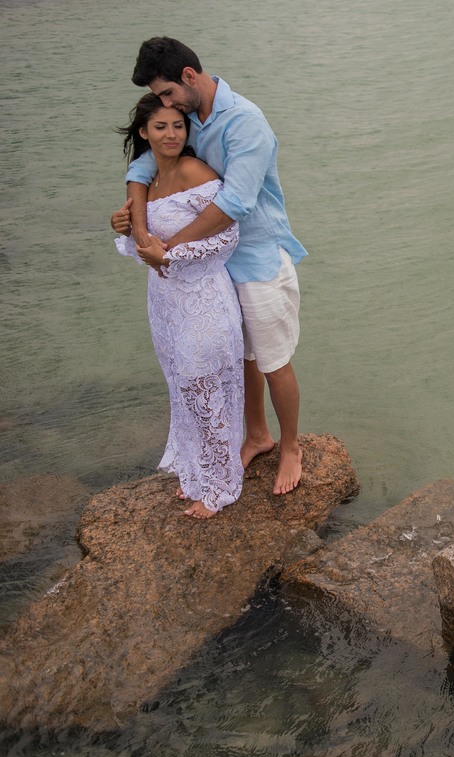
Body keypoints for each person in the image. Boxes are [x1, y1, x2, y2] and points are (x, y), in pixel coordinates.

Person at [111, 36, 306, 496]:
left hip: (257, 259)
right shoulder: (188, 118)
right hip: (212, 269)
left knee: (273, 360)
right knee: (241, 358)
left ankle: (292, 446)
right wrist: (137, 228)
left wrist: (170, 248)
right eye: (160, 103)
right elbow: (143, 168)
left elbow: (235, 203)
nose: (164, 106)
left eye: (166, 93)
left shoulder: (245, 122)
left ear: (189, 77)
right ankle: (257, 436)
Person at [115, 94, 243, 518]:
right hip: (166, 303)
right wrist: (123, 230)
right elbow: (146, 248)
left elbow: (227, 235)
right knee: (183, 387)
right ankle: (198, 471)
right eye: (161, 127)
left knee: (203, 384)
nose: (171, 135)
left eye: (178, 126)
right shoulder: (148, 182)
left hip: (203, 297)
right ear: (143, 132)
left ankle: (222, 487)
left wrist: (172, 256)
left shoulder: (193, 171)